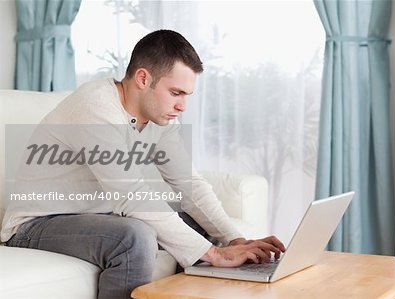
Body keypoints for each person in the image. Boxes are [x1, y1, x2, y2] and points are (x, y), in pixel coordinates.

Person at [1, 30, 285, 299]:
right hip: (36, 225)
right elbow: (130, 196)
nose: (182, 106)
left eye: (187, 95)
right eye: (176, 93)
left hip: (99, 216)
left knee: (195, 223)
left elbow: (190, 186)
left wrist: (234, 240)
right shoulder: (95, 106)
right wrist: (214, 254)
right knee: (134, 237)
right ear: (142, 78)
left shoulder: (159, 118)